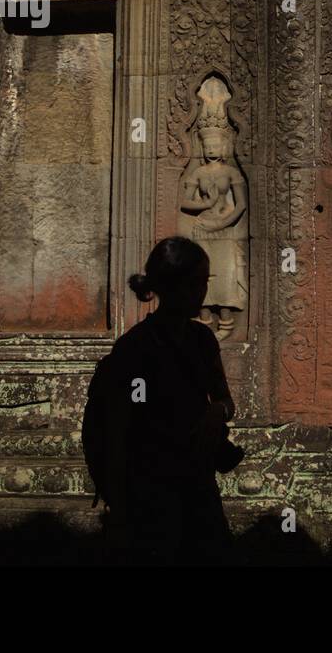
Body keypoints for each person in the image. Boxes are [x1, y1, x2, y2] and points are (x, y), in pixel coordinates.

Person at [98, 237, 236, 565]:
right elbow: (116, 428)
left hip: (198, 484)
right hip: (150, 488)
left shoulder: (203, 340)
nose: (204, 292)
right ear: (177, 286)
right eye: (199, 282)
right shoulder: (135, 348)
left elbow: (225, 400)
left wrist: (217, 412)